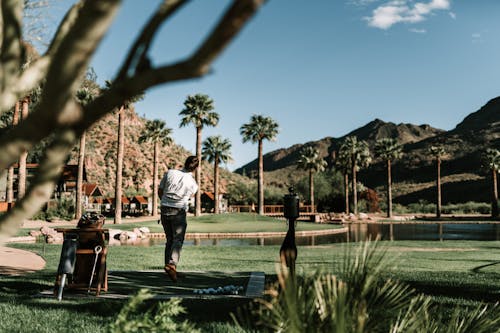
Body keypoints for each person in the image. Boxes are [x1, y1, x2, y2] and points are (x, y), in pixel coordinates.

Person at [158, 156, 199, 282]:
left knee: (169, 239)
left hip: (165, 209)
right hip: (179, 211)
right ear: (196, 168)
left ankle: (169, 268)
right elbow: (190, 196)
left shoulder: (170, 173)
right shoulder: (193, 184)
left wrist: (166, 202)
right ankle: (171, 265)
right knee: (177, 240)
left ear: (184, 163)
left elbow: (160, 191)